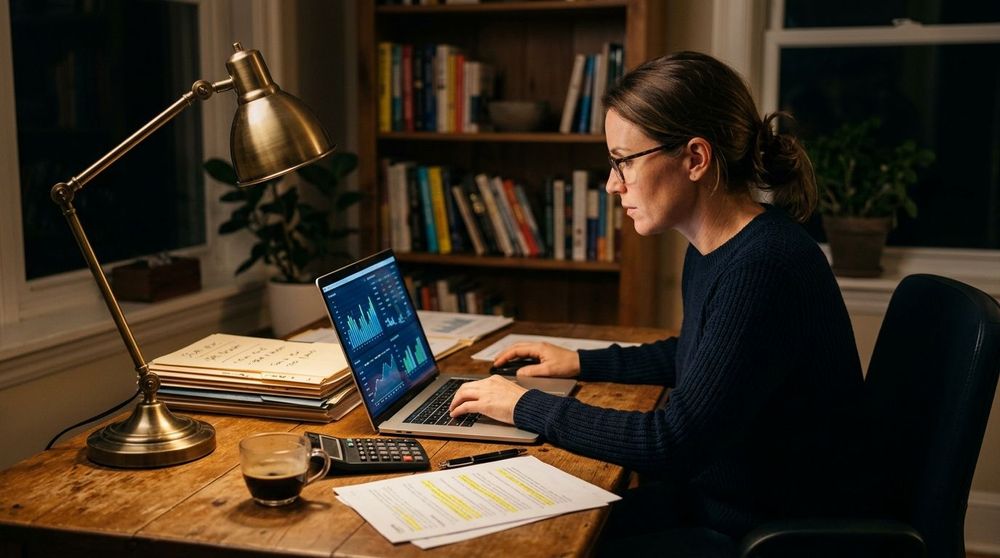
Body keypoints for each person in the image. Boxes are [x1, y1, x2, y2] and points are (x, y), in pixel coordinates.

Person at [447, 51, 865, 547]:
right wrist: (578, 360)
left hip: (761, 534)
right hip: (719, 505)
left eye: (623, 161)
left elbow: (673, 442)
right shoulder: (722, 246)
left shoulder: (764, 266)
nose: (611, 184)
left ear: (694, 158)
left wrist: (523, 406)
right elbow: (696, 355)